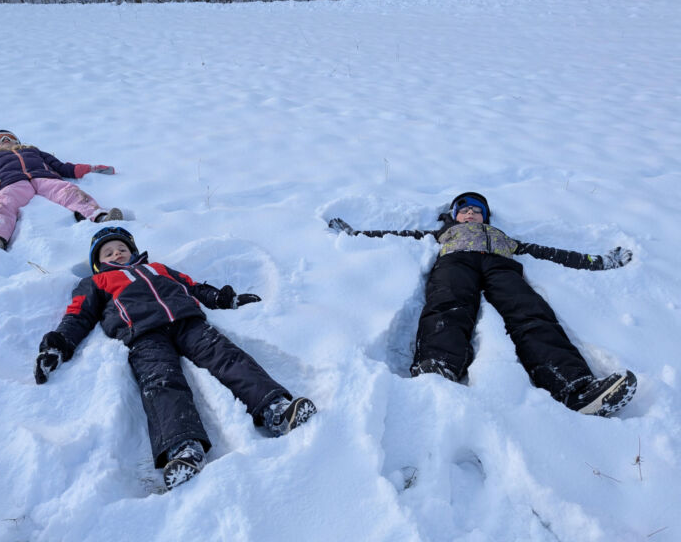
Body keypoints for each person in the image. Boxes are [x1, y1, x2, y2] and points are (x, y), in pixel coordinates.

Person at [34, 226, 316, 490]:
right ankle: (182, 447)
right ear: (98, 263)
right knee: (161, 381)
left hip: (187, 322)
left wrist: (224, 299)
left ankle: (275, 408)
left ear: (133, 251)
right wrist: (58, 345)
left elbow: (192, 286)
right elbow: (78, 315)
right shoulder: (96, 282)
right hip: (143, 334)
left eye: (121, 248)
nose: (116, 254)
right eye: (108, 253)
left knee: (227, 357)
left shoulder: (157, 268)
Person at [329, 192, 637, 417]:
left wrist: (600, 261)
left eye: (477, 211)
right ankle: (436, 369)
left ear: (485, 217)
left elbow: (552, 252)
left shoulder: (502, 237)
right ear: (455, 216)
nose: (471, 214)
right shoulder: (444, 233)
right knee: (448, 305)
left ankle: (575, 387)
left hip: (500, 267)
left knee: (530, 313)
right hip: (456, 263)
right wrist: (355, 233)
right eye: (464, 210)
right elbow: (397, 234)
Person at [0, 130, 122, 249]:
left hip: (45, 178)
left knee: (68, 191)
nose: (5, 141)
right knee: (2, 203)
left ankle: (99, 216)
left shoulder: (33, 151)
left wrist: (92, 168)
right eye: (0, 140)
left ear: (18, 142)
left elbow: (63, 167)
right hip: (13, 183)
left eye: (9, 137)